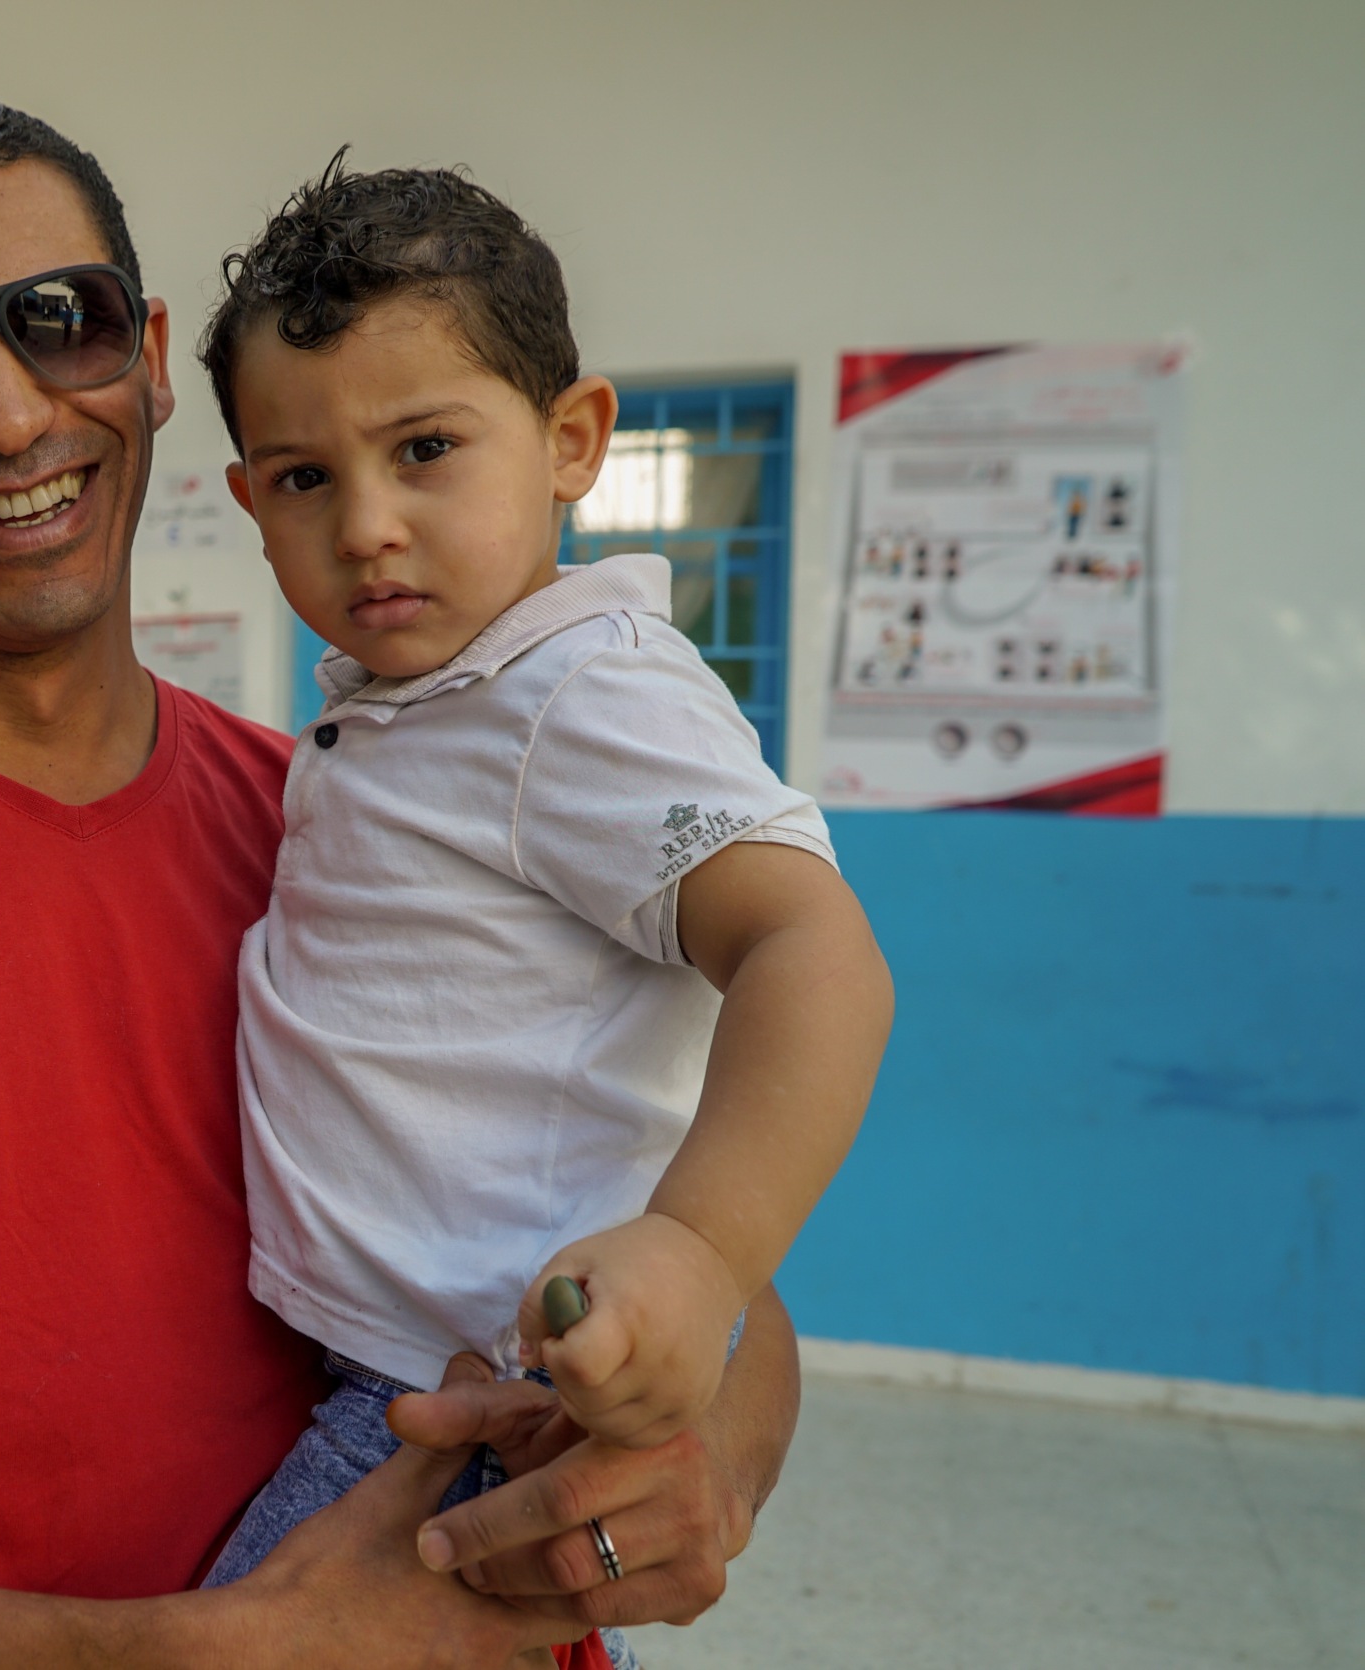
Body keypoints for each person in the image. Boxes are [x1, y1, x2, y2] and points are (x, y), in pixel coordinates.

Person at [0, 99, 806, 1670]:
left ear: (153, 358)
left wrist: (727, 1451)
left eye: (62, 323)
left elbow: (694, 1268)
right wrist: (200, 1653)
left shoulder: (343, 824)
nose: (14, 413)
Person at [195, 158, 895, 1622]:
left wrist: (702, 1256)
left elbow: (811, 949)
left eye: (428, 447)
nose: (369, 522)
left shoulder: (578, 693)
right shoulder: (415, 704)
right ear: (250, 504)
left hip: (467, 1393)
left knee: (261, 1638)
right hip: (389, 1360)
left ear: (572, 439)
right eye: (307, 477)